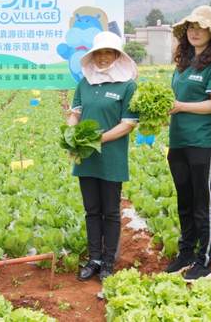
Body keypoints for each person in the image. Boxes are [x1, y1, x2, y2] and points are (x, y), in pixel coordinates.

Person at [66, 31, 139, 282]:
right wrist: (71, 131)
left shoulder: (127, 85)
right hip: (87, 157)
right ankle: (94, 259)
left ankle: (108, 261)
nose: (103, 57)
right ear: (93, 56)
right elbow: (75, 112)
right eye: (99, 53)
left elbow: (128, 124)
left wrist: (98, 139)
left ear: (117, 56)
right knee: (91, 210)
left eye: (109, 52)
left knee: (110, 211)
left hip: (111, 157)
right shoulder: (85, 83)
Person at [164, 6, 211, 281]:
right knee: (185, 201)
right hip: (178, 141)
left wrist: (180, 106)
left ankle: (205, 261)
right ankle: (186, 252)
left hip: (204, 143)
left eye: (200, 28)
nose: (194, 32)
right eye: (190, 27)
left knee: (204, 202)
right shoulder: (183, 63)